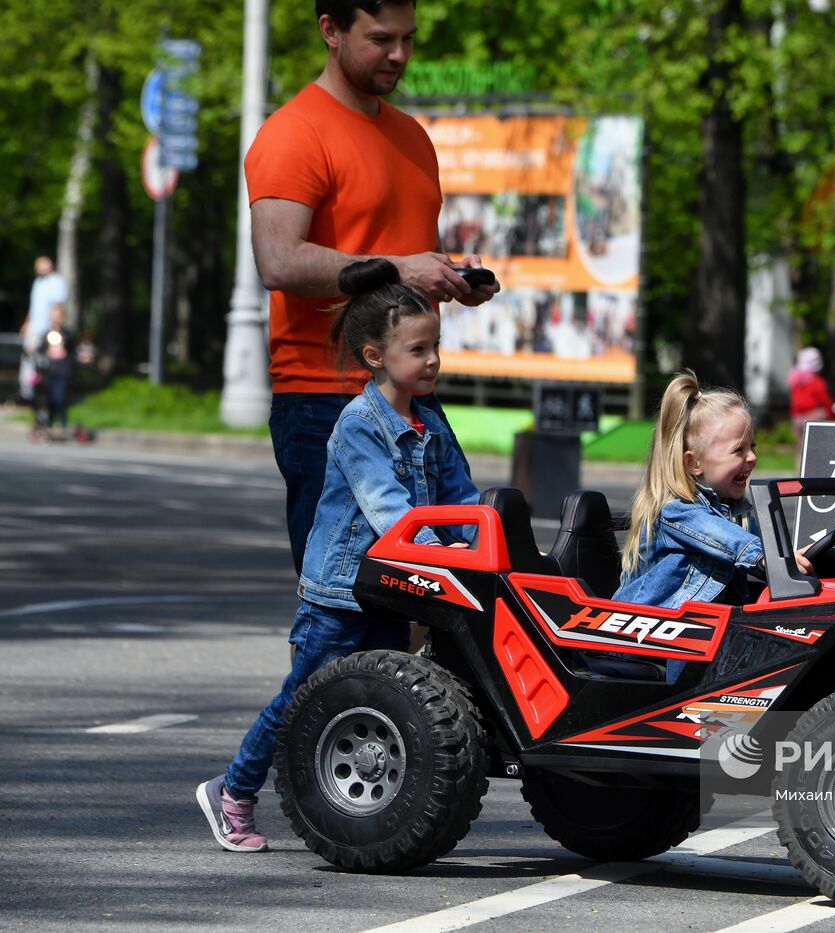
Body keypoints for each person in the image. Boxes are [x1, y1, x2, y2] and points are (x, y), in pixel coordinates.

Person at [197, 259, 480, 852]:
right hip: (341, 590)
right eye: (417, 349)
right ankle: (232, 791)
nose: (431, 361)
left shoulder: (432, 418)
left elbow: (460, 496)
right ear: (376, 356)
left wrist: (482, 542)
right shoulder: (359, 425)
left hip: (397, 585)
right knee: (303, 698)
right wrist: (441, 560)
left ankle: (363, 806)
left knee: (374, 698)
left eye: (436, 348)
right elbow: (390, 511)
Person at [246, 0, 499, 575]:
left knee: (445, 587)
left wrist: (450, 277)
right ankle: (334, 674)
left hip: (412, 396)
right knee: (341, 599)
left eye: (408, 38)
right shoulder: (293, 132)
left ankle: (390, 675)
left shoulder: (411, 136)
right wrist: (401, 268)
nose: (399, 55)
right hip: (325, 397)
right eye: (381, 39)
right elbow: (279, 261)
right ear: (330, 31)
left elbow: (399, 259)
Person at [615, 372, 813, 682]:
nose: (752, 457)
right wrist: (768, 557)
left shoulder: (739, 510)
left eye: (753, 447)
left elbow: (766, 565)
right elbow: (729, 542)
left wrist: (792, 560)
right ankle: (688, 704)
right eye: (738, 450)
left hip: (700, 638)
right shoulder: (675, 512)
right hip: (641, 640)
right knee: (701, 626)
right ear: (694, 463)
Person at [19, 256, 68, 405]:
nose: (38, 267)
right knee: (29, 357)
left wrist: (55, 327)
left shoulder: (56, 281)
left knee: (46, 360)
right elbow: (34, 306)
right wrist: (27, 322)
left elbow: (57, 306)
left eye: (40, 264)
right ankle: (27, 392)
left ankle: (47, 393)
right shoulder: (37, 282)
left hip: (48, 328)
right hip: (35, 326)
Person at [33, 306, 78, 442]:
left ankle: (63, 425)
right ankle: (50, 426)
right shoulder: (46, 333)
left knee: (60, 399)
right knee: (50, 400)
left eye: (58, 315)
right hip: (50, 370)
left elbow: (72, 349)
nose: (55, 318)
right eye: (53, 315)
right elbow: (40, 350)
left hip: (63, 369)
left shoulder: (67, 333)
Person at [788, 346, 835, 442]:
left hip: (796, 417)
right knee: (814, 442)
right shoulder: (816, 382)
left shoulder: (795, 381)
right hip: (812, 416)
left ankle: (799, 457)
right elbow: (825, 401)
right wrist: (833, 415)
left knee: (800, 444)